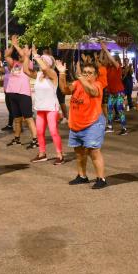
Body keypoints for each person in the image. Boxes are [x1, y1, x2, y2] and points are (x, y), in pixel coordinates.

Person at [55, 57, 108, 189]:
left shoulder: (98, 85)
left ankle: (101, 179)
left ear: (96, 75)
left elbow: (92, 91)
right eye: (85, 72)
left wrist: (81, 77)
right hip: (77, 123)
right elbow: (65, 90)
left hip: (93, 123)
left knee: (94, 151)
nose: (86, 75)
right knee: (79, 152)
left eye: (90, 72)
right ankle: (82, 176)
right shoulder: (77, 84)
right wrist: (62, 73)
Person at [25, 45, 64, 164]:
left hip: (51, 108)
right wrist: (26, 56)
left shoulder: (53, 74)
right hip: (40, 108)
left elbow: (46, 69)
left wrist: (36, 56)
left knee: (53, 131)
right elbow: (25, 70)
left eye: (44, 61)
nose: (41, 63)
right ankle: (42, 154)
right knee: (39, 132)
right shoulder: (38, 75)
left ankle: (59, 155)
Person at [6, 37, 38, 148]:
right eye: (19, 54)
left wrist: (16, 45)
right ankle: (17, 139)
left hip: (23, 94)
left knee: (28, 118)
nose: (20, 55)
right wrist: (12, 45)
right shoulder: (14, 64)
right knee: (17, 119)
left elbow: (24, 56)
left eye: (22, 54)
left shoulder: (28, 63)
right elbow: (7, 56)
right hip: (12, 93)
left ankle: (35, 140)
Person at [101, 42, 128, 135]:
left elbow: (111, 60)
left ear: (117, 60)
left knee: (120, 109)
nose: (109, 60)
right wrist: (103, 51)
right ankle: (109, 126)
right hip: (112, 92)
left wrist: (106, 50)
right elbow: (102, 60)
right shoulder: (108, 68)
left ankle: (124, 128)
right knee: (109, 109)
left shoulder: (118, 67)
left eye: (112, 60)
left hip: (119, 92)